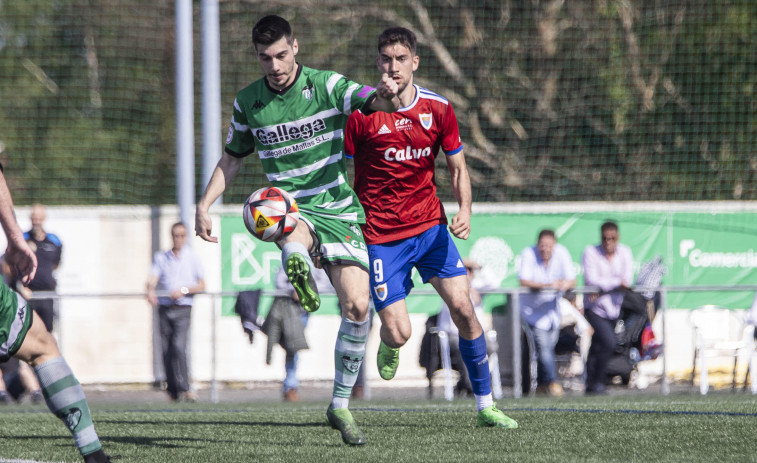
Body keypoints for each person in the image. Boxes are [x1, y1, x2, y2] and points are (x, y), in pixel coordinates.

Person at [194, 15, 399, 445]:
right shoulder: (248, 101)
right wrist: (205, 203)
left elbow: (375, 103)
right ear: (257, 57)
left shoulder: (326, 85)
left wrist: (387, 95)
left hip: (339, 208)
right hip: (289, 206)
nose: (274, 65)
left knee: (359, 307)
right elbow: (233, 157)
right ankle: (296, 261)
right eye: (265, 58)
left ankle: (339, 405)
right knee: (289, 228)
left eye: (281, 54)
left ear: (296, 48)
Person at [343, 27, 517, 429]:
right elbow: (340, 172)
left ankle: (485, 406)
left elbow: (458, 168)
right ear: (377, 63)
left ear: (415, 62)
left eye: (401, 59)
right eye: (386, 59)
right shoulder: (361, 115)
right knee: (401, 333)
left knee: (464, 309)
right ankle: (389, 342)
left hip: (430, 228)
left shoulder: (438, 109)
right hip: (381, 236)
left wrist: (466, 210)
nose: (393, 67)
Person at [0, 166, 111, 462]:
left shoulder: (55, 241)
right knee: (43, 349)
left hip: (43, 300)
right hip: (17, 299)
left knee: (41, 340)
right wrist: (14, 237)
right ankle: (94, 454)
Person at [146, 222, 205, 402]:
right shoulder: (162, 257)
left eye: (181, 235)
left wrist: (184, 291)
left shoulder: (192, 257)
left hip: (183, 307)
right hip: (165, 307)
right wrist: (150, 290)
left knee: (179, 347)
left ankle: (185, 386)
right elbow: (152, 278)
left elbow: (202, 284)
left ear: (185, 237)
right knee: (166, 349)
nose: (178, 239)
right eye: (175, 235)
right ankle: (172, 390)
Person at [518, 229, 576, 398]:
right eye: (542, 245)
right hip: (532, 312)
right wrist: (549, 285)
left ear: (554, 245)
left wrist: (564, 285)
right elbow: (524, 280)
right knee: (543, 349)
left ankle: (542, 386)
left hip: (552, 313)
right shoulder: (528, 254)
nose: (545, 249)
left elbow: (572, 279)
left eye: (549, 245)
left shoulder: (562, 253)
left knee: (548, 349)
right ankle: (554, 383)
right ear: (538, 244)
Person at [582, 221, 634, 395]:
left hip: (614, 308)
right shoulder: (591, 252)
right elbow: (592, 280)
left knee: (597, 345)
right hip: (595, 308)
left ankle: (590, 384)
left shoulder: (625, 252)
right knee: (609, 342)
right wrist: (616, 283)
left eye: (612, 238)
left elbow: (627, 280)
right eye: (605, 238)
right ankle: (598, 381)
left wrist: (604, 287)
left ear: (617, 237)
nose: (608, 242)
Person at [271, 264, 332, 402]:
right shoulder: (291, 257)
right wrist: (293, 289)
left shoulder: (316, 263)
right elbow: (279, 281)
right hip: (289, 310)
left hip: (304, 312)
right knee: (292, 348)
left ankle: (290, 386)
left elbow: (324, 284)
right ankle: (290, 386)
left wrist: (305, 290)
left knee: (294, 348)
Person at [21, 204, 62, 333]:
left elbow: (56, 264)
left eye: (39, 218)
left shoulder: (54, 241)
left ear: (44, 218)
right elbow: (10, 265)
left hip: (47, 294)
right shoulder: (22, 239)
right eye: (34, 218)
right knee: (27, 332)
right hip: (28, 295)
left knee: (47, 332)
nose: (36, 221)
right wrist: (20, 286)